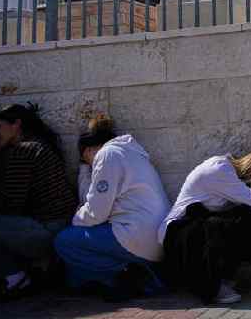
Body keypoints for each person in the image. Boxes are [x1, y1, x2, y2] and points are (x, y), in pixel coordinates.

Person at [0, 103, 76, 298]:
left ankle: (14, 278)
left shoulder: (23, 150)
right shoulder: (38, 145)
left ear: (16, 125)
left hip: (47, 232)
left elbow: (10, 205)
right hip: (59, 229)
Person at [54, 114, 170, 301]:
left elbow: (95, 213)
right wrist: (86, 168)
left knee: (64, 241)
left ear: (90, 149)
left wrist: (74, 219)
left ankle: (126, 274)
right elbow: (93, 199)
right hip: (155, 239)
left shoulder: (107, 155)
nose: (90, 168)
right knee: (74, 274)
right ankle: (132, 275)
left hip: (135, 236)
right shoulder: (131, 152)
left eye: (86, 161)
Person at [160, 145, 251, 304]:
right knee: (217, 226)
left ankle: (222, 276)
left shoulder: (234, 180)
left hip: (198, 233)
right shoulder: (219, 169)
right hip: (177, 237)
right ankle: (208, 285)